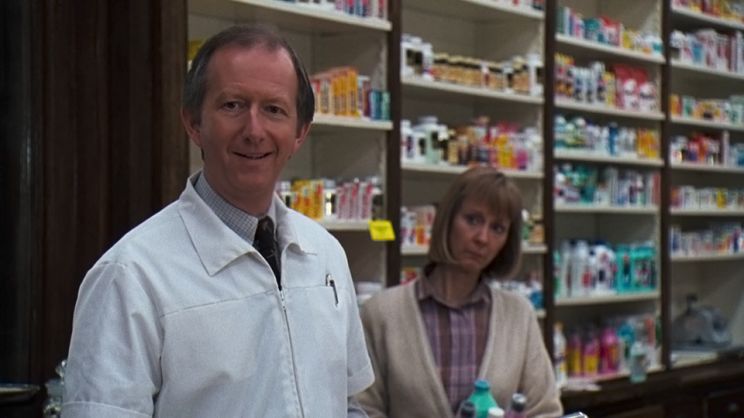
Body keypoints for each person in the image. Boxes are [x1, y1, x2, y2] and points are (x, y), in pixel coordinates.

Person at [62, 24, 373, 417]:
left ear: (300, 133)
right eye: (233, 106)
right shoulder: (130, 275)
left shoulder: (326, 254)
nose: (254, 130)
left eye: (274, 109)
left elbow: (345, 404)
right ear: (194, 123)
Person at [357, 166, 563, 418]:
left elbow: (545, 410)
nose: (482, 238)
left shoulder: (518, 315)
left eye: (498, 228)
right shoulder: (382, 314)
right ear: (447, 220)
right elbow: (362, 410)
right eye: (473, 220)